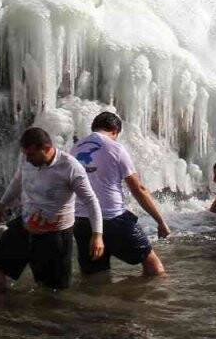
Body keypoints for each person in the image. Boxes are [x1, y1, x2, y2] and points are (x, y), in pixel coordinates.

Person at [0, 127, 103, 292]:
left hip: (55, 237)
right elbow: (17, 181)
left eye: (31, 154)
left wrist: (97, 235)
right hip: (25, 226)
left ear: (47, 148)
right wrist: (2, 205)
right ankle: (4, 308)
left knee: (51, 292)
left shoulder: (70, 167)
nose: (27, 158)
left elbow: (91, 201)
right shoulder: (27, 160)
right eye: (25, 154)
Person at [70, 112, 170, 277]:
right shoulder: (115, 148)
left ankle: (94, 302)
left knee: (95, 277)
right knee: (154, 267)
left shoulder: (75, 148)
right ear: (115, 131)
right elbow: (138, 189)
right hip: (113, 219)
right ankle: (152, 300)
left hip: (82, 222)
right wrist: (160, 221)